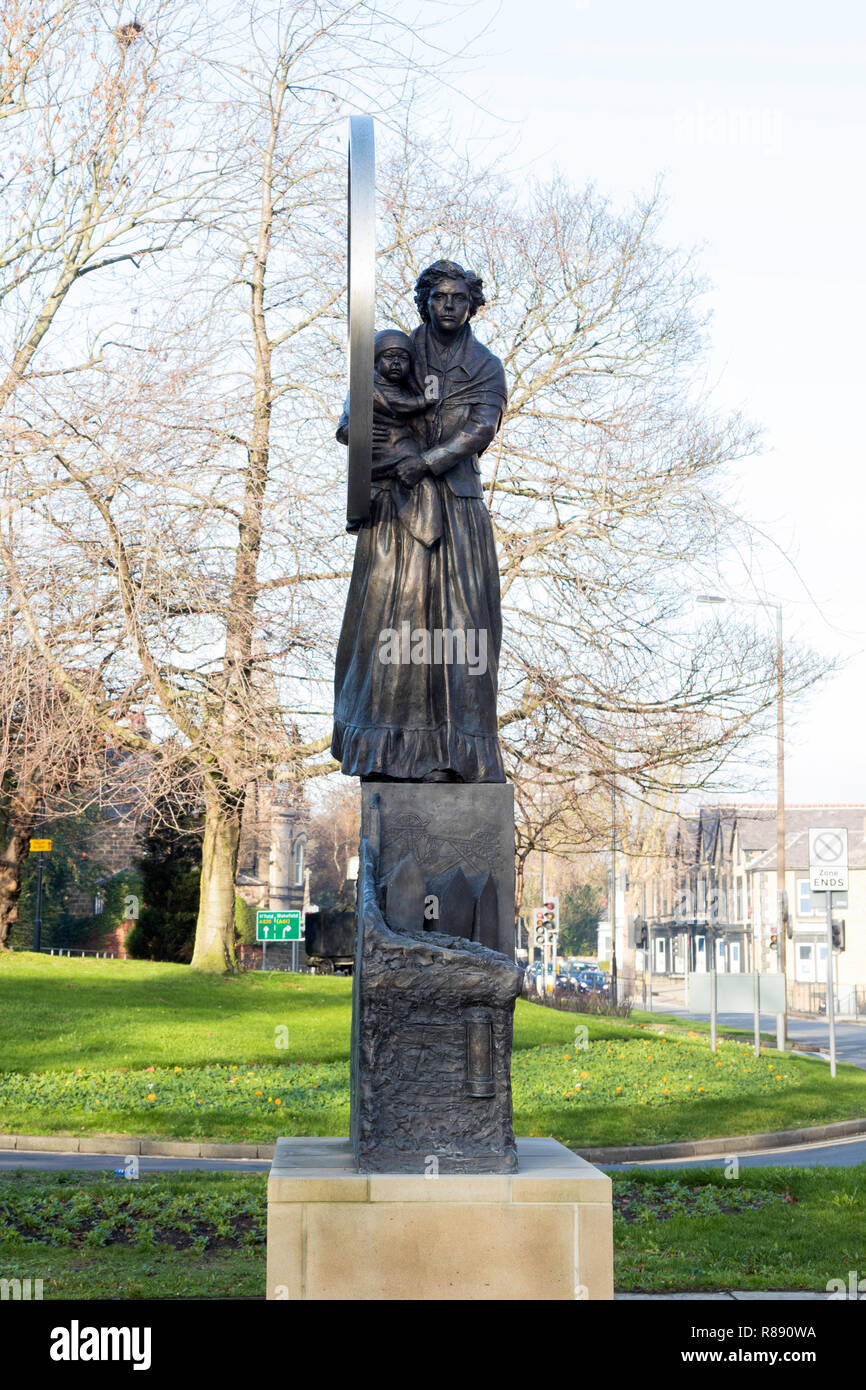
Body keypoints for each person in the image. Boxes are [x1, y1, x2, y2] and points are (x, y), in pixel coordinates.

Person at [332, 260, 507, 783]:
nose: (449, 306)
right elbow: (355, 414)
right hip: (398, 506)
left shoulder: (486, 366)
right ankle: (391, 753)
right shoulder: (396, 352)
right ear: (426, 302)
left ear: (472, 304)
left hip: (455, 502)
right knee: (393, 626)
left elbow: (482, 427)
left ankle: (458, 756)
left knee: (464, 630)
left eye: (459, 298)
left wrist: (428, 461)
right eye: (440, 297)